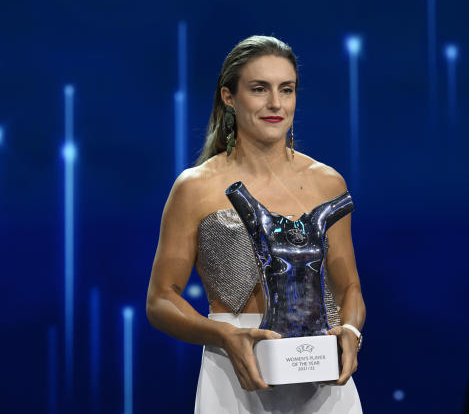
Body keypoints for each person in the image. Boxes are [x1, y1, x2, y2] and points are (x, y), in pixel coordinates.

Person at [146, 35, 365, 413]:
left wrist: (350, 331)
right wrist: (225, 334)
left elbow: (349, 288)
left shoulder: (328, 182)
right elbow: (161, 299)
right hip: (234, 375)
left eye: (287, 89)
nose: (276, 104)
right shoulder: (195, 187)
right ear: (229, 97)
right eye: (259, 89)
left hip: (322, 377)